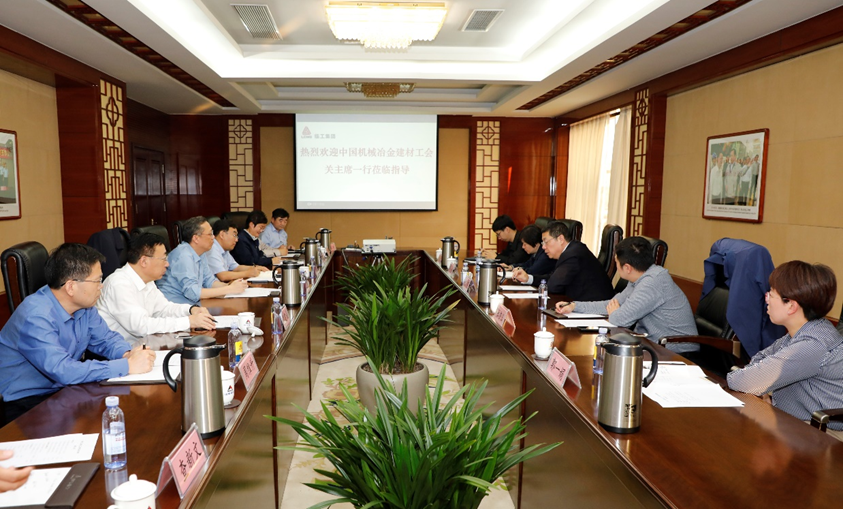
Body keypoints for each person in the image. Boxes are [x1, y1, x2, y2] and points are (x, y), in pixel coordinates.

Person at [0, 243, 156, 422]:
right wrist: (127, 366)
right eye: (97, 281)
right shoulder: (35, 316)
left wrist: (128, 354)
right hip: (25, 405)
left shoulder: (84, 307)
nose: (101, 287)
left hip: (63, 391)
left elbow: (106, 339)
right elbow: (63, 370)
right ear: (71, 287)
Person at [727, 261, 843, 440]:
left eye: (771, 294)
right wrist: (761, 386)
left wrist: (759, 385)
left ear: (791, 306)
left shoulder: (812, 345)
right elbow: (759, 358)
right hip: (797, 419)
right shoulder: (804, 331)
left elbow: (742, 380)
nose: (766, 299)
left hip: (824, 432)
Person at [556, 236, 697, 350]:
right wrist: (574, 306)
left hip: (675, 349)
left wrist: (616, 312)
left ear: (627, 267)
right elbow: (611, 305)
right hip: (653, 343)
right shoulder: (640, 276)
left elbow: (618, 319)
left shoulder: (652, 283)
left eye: (616, 262)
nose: (616, 266)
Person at [97, 233, 216, 343]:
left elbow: (164, 309)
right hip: (118, 355)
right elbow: (141, 326)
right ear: (144, 261)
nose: (167, 264)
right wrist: (188, 321)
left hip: (143, 345)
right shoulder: (119, 284)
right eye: (163, 259)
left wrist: (191, 310)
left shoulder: (147, 281)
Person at [156, 216, 249, 304]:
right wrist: (229, 289)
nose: (213, 237)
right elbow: (192, 293)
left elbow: (209, 281)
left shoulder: (201, 252)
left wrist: (232, 286)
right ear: (196, 238)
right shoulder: (184, 255)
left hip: (194, 305)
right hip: (175, 309)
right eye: (210, 234)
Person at [515, 221, 613, 300]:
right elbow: (553, 278)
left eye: (546, 241)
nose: (543, 247)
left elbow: (553, 286)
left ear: (560, 239)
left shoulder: (572, 255)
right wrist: (528, 278)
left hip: (595, 308)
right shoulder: (571, 250)